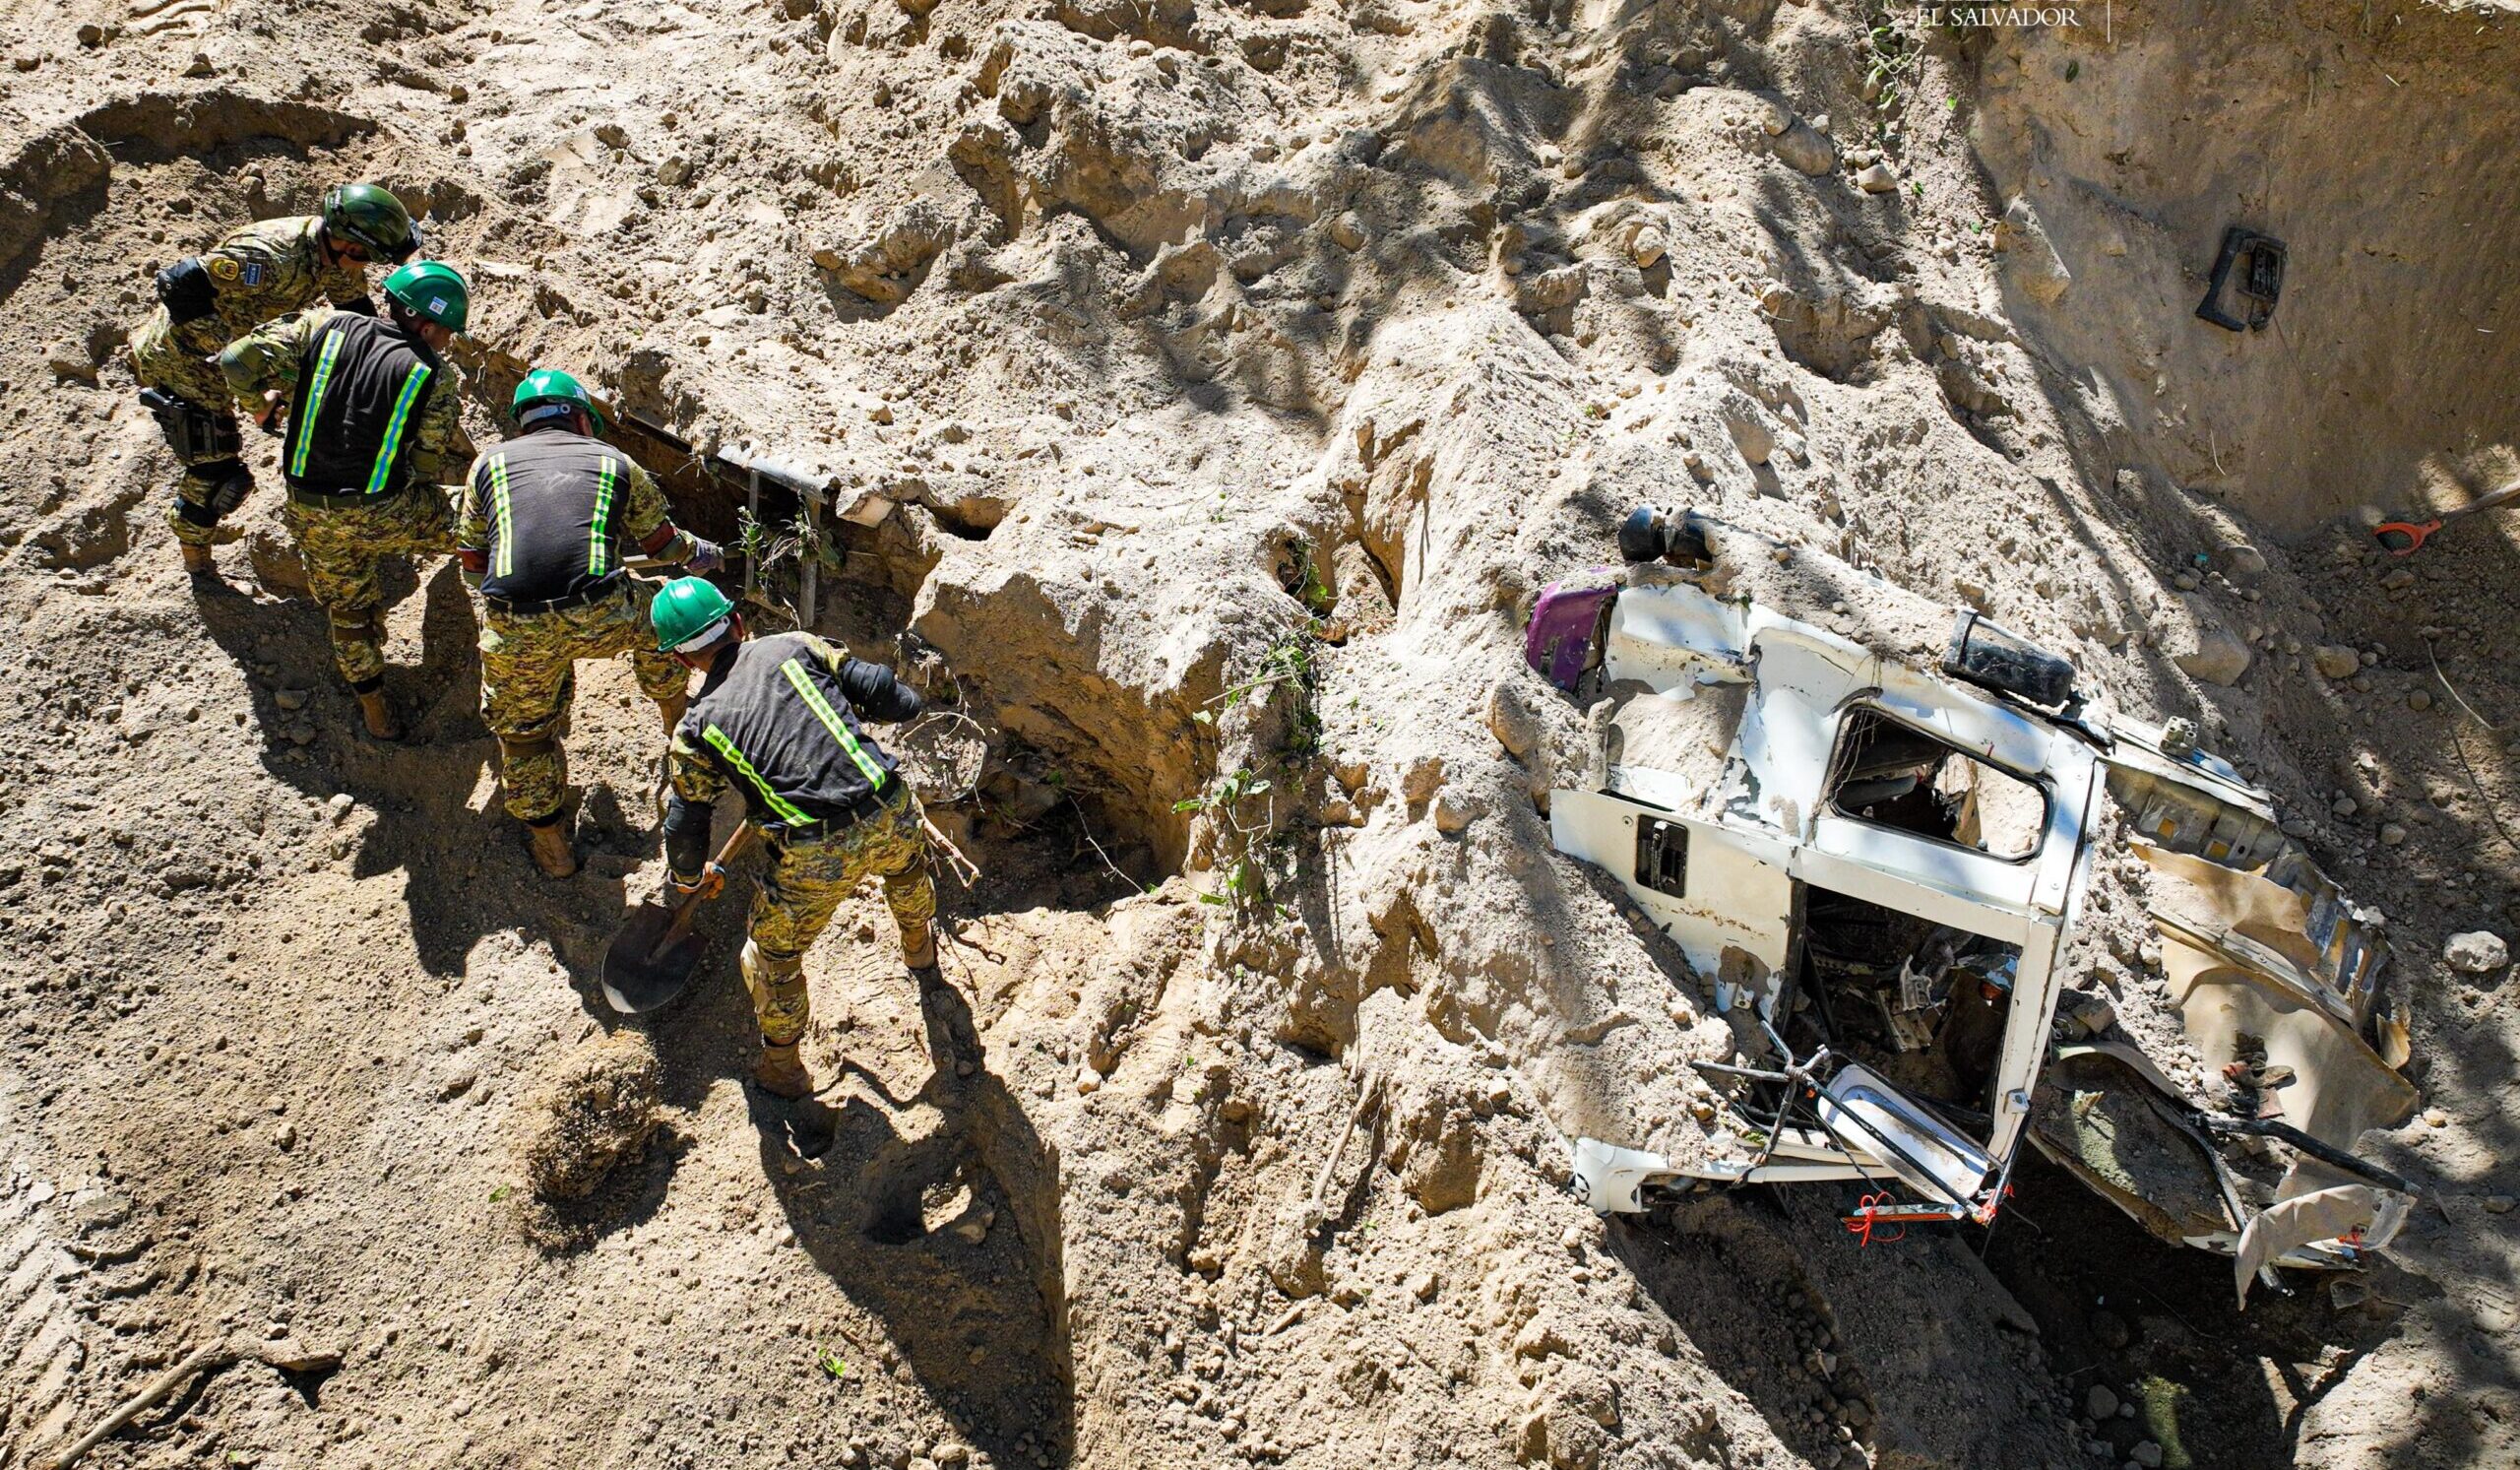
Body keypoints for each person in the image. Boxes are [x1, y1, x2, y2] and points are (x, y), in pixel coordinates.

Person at [649, 577, 936, 1099]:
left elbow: (687, 823)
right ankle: (919, 945)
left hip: (815, 851)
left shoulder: (695, 729)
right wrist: (906, 702)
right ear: (736, 623)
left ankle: (784, 1066)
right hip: (890, 806)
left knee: (771, 957)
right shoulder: (794, 646)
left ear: (682, 663)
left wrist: (690, 879)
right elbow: (880, 690)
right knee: (907, 867)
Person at [455, 368, 726, 877]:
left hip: (517, 626)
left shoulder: (486, 465)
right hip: (601, 612)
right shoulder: (614, 462)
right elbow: (663, 547)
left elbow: (472, 561)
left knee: (525, 735)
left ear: (523, 423)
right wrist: (701, 553)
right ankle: (675, 722)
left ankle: (554, 853)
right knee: (661, 620)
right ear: (581, 417)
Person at [220, 260, 469, 739]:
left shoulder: (323, 325)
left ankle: (375, 710)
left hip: (308, 508)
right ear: (428, 322)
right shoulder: (432, 375)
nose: (447, 343)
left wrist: (260, 407)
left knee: (348, 611)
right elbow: (425, 463)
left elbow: (235, 360)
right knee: (479, 514)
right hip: (381, 510)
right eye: (448, 332)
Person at [132, 184, 418, 575]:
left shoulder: (336, 260)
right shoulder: (268, 258)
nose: (367, 266)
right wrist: (235, 365)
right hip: (183, 358)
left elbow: (357, 314)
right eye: (368, 257)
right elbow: (178, 284)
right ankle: (197, 562)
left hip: (250, 350)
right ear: (348, 246)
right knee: (218, 475)